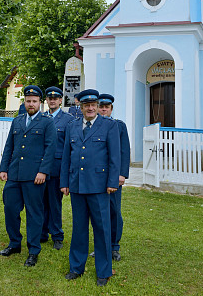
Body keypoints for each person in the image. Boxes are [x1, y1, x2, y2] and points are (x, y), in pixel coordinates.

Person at [60, 89, 120, 287]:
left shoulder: (109, 126)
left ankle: (103, 270)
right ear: (81, 107)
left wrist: (112, 182)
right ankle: (76, 267)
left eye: (94, 105)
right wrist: (64, 182)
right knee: (79, 228)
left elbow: (115, 157)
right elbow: (67, 156)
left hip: (99, 186)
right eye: (86, 105)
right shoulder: (72, 126)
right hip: (77, 185)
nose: (91, 108)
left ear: (97, 105)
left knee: (102, 229)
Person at [0, 85, 57, 267]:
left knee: (34, 213)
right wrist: (3, 168)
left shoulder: (47, 122)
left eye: (34, 101)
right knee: (10, 210)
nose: (31, 104)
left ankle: (33, 250)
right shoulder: (17, 121)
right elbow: (9, 146)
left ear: (40, 102)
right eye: (28, 101)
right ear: (24, 102)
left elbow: (50, 149)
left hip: (34, 176)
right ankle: (14, 244)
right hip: (14, 174)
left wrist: (43, 171)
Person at [97, 93, 130, 261]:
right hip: (97, 177)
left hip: (114, 177)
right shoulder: (93, 126)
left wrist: (122, 174)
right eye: (101, 107)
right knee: (99, 212)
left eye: (106, 107)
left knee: (114, 211)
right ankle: (101, 245)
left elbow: (124, 151)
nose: (103, 110)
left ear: (111, 109)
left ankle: (114, 246)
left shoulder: (119, 126)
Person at [41, 86, 73, 249]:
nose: (52, 100)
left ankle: (57, 235)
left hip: (56, 168)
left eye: (56, 98)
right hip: (40, 168)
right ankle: (42, 232)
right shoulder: (40, 117)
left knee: (54, 202)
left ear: (60, 100)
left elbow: (69, 147)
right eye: (49, 98)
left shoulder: (68, 119)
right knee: (40, 201)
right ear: (46, 100)